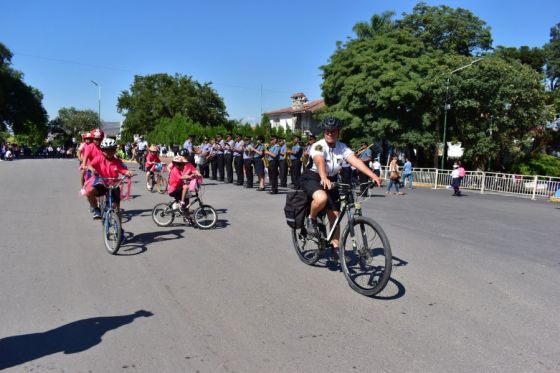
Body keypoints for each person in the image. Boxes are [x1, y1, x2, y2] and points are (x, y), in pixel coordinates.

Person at [301, 117, 381, 261]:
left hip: (331, 180)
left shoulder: (342, 147)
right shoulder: (318, 145)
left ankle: (336, 248)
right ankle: (311, 219)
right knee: (321, 198)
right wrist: (324, 177)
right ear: (324, 132)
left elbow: (355, 161)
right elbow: (319, 161)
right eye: (327, 131)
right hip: (313, 177)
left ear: (338, 132)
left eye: (333, 131)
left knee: (335, 216)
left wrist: (372, 175)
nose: (330, 133)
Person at [85, 138, 133, 219]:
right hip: (102, 183)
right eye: (106, 150)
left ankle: (119, 228)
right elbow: (90, 165)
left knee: (116, 208)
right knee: (89, 192)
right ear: (103, 150)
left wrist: (127, 172)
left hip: (114, 185)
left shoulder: (117, 161)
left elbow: (122, 170)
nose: (109, 152)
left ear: (115, 150)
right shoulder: (99, 158)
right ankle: (96, 209)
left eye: (112, 150)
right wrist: (92, 169)